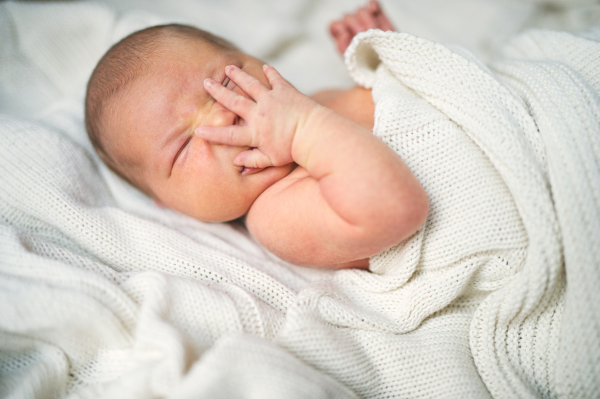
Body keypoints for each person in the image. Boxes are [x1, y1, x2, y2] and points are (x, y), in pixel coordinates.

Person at [84, 1, 429, 269]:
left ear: (254, 58)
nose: (224, 116)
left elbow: (418, 108)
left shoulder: (318, 101)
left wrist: (389, 64)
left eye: (226, 84)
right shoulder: (277, 213)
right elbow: (395, 208)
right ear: (173, 206)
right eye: (184, 147)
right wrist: (302, 129)